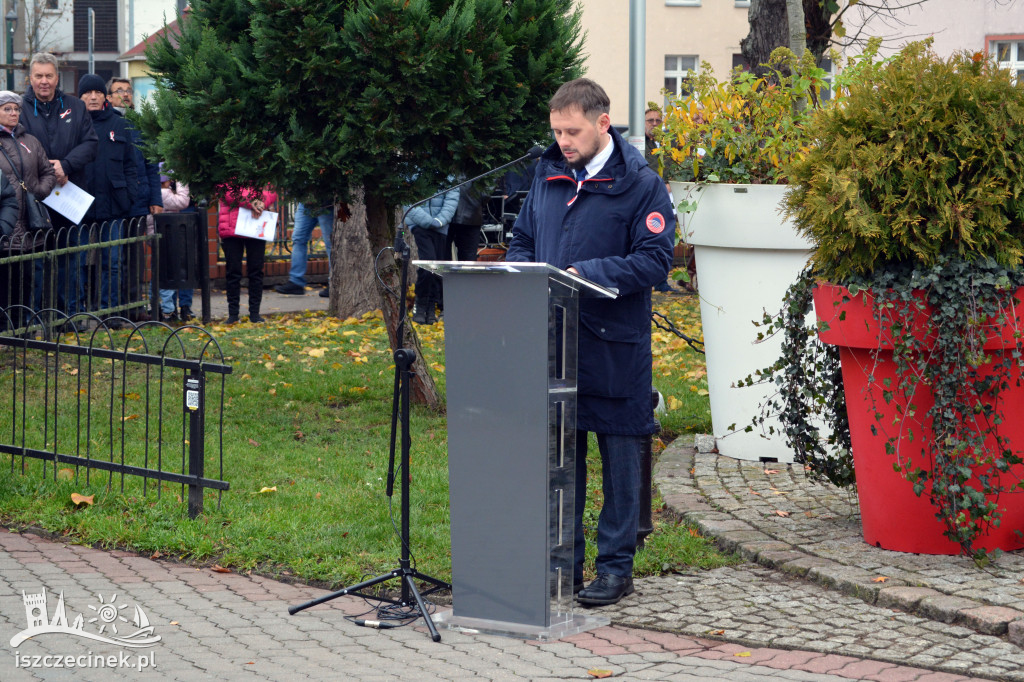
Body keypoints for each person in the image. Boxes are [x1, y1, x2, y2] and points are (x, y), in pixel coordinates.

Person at [505, 78, 674, 607]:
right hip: (555, 342)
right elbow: (525, 238)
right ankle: (564, 565)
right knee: (562, 461)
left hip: (614, 345)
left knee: (621, 461)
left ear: (603, 123)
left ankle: (615, 569)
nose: (563, 142)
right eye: (556, 131)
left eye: (572, 131)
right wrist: (520, 272)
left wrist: (585, 273)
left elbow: (654, 260)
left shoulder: (642, 184)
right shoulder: (549, 174)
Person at [21, 53, 97, 325]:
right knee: (36, 264)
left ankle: (71, 319)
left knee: (71, 259)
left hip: (68, 197)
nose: (44, 82)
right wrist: (46, 171)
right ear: (30, 78)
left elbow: (90, 144)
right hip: (34, 200)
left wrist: (65, 165)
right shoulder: (18, 108)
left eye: (49, 76)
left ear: (57, 77)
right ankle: (34, 319)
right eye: (39, 76)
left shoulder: (76, 107)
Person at [79, 75, 138, 318]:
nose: (93, 97)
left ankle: (109, 313)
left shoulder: (119, 123)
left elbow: (131, 164)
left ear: (105, 96)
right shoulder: (72, 123)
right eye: (87, 93)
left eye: (97, 92)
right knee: (78, 261)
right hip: (79, 204)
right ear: (80, 96)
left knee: (112, 263)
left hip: (114, 204)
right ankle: (77, 313)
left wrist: (130, 194)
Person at [0, 90, 58, 329]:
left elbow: (48, 172)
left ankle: (21, 326)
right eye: (7, 109)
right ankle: (4, 329)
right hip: (4, 222)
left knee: (26, 280)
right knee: (4, 280)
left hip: (29, 223)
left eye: (16, 109)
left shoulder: (30, 141)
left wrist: (38, 191)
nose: (13, 113)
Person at [107, 77, 163, 321]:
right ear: (108, 97)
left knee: (135, 258)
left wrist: (156, 198)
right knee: (113, 258)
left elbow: (152, 164)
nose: (125, 95)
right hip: (114, 201)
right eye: (119, 91)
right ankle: (114, 307)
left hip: (139, 201)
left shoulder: (140, 124)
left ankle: (133, 306)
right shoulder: (106, 122)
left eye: (128, 90)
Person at [218, 186, 277, 324]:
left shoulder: (261, 168)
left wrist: (262, 202)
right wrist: (251, 202)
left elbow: (271, 190)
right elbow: (225, 191)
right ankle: (233, 314)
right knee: (233, 271)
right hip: (231, 226)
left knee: (256, 271)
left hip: (255, 223)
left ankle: (255, 314)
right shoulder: (227, 168)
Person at [406, 184, 459, 325]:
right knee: (428, 263)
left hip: (441, 227)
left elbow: (451, 200)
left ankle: (430, 308)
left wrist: (439, 221)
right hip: (420, 226)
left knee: (436, 268)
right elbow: (407, 199)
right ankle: (421, 304)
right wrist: (427, 221)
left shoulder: (449, 175)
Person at [158, 165, 195, 322]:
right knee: (177, 267)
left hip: (180, 219)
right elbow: (182, 200)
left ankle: (176, 307)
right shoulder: (164, 190)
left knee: (181, 265)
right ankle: (171, 308)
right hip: (172, 224)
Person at [274, 203, 332, 298]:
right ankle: (296, 282)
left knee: (330, 242)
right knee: (298, 239)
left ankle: (334, 282)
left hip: (326, 201)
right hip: (305, 202)